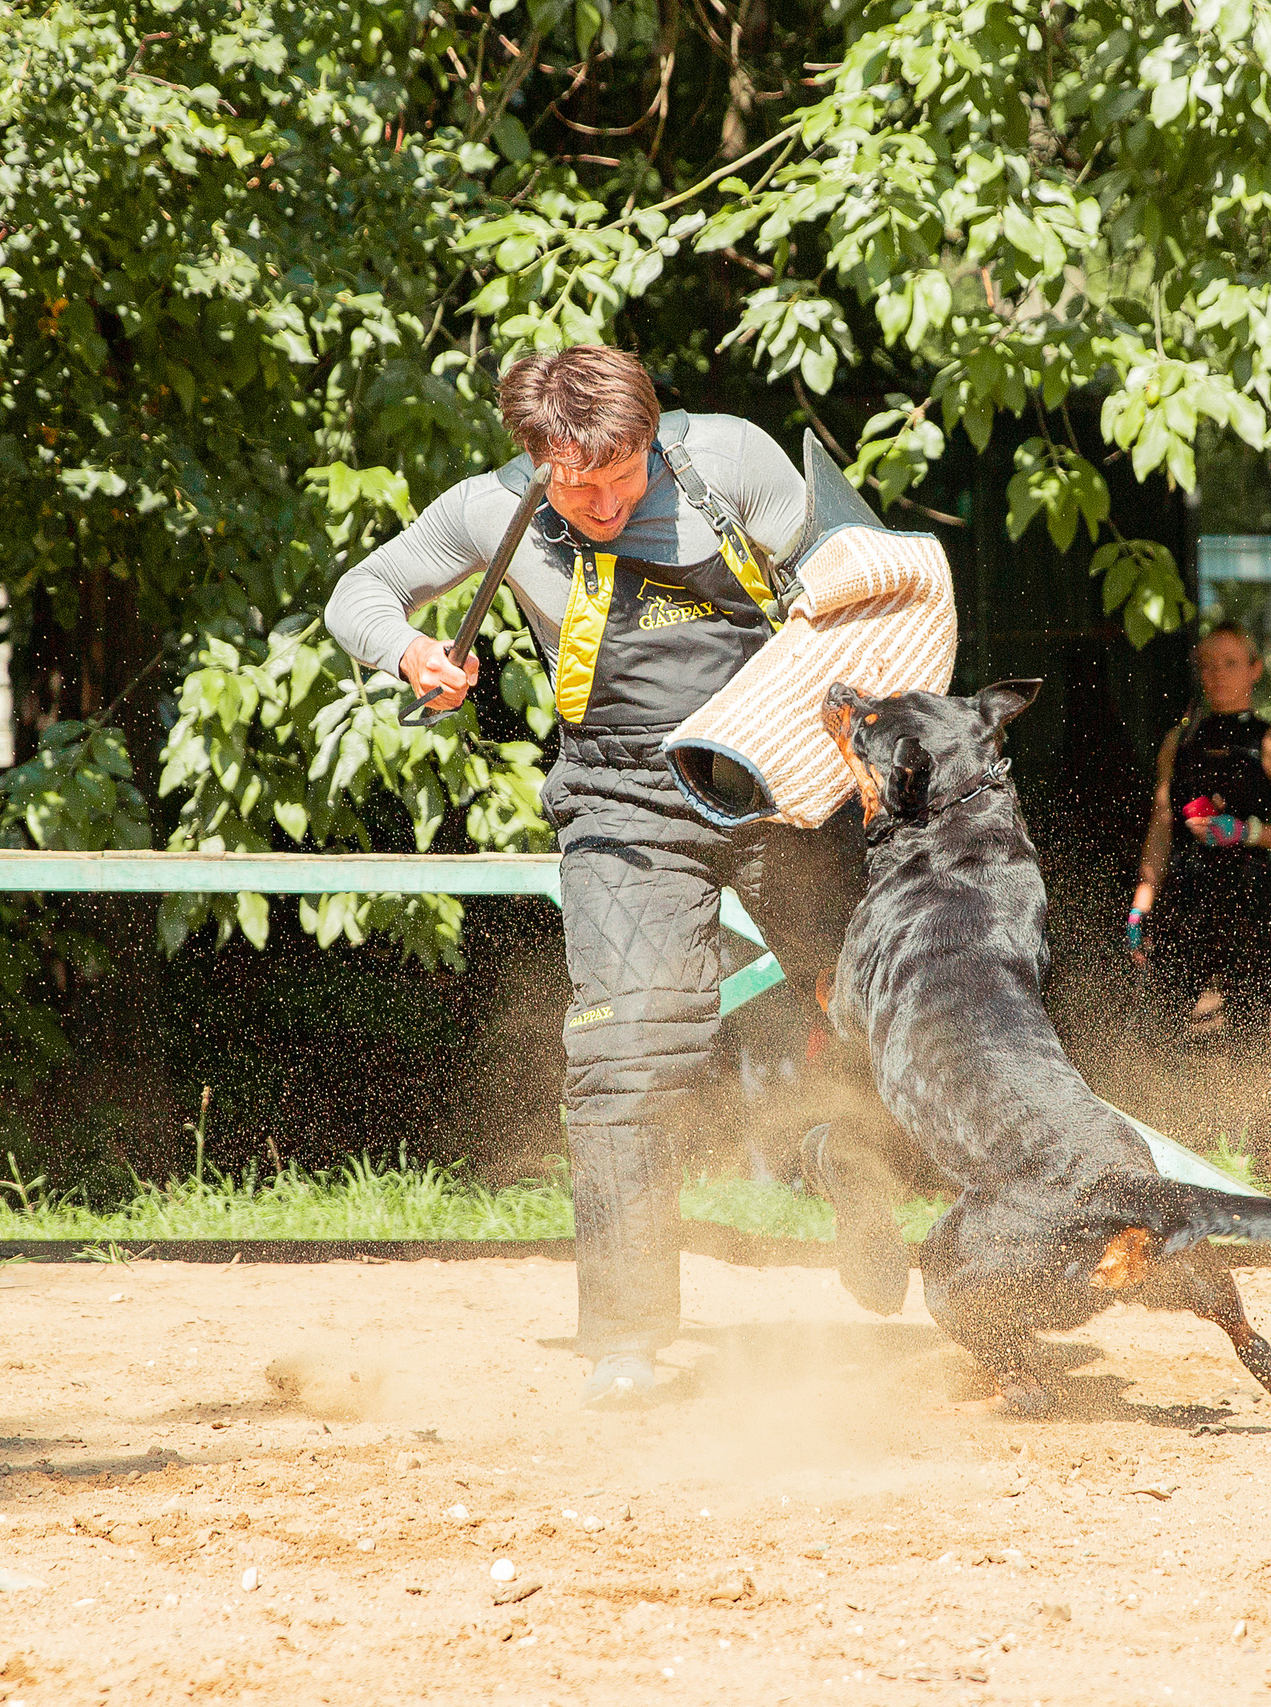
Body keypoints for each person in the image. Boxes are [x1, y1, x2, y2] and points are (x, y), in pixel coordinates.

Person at [325, 345, 905, 1408]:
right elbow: (362, 590)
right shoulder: (484, 511)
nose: (599, 499)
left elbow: (861, 573)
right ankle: (627, 1341)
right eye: (574, 481)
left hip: (780, 766)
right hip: (622, 796)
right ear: (535, 458)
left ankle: (846, 1162)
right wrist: (408, 652)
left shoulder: (730, 459)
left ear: (650, 439)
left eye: (621, 474)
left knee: (881, 1005)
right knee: (626, 1051)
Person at [1127, 624, 1271, 1049]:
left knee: (1247, 1038)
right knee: (1157, 1033)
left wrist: (1247, 832)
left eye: (1230, 664)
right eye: (1208, 666)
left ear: (1255, 669)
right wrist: (1140, 908)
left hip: (1251, 903)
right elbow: (1162, 825)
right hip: (1186, 899)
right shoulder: (1177, 742)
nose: (1217, 675)